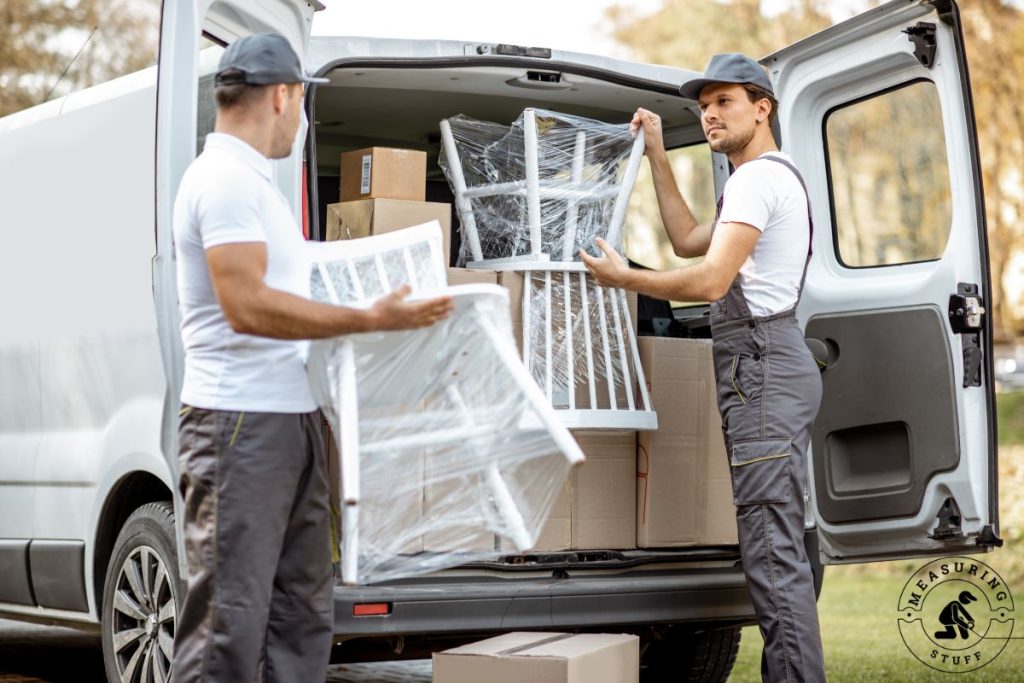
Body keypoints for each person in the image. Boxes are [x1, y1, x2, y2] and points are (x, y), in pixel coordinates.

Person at [170, 33, 452, 683]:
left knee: (299, 610)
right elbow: (248, 304)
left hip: (288, 418)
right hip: (239, 424)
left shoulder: (255, 185)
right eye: (300, 103)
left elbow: (288, 292)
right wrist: (370, 319)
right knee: (229, 621)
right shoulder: (223, 181)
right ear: (283, 96)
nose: (298, 119)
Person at [581, 53, 826, 682]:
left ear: (762, 107)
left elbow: (712, 279)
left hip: (762, 364)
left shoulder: (754, 180)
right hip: (769, 362)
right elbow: (690, 240)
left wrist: (623, 279)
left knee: (772, 553)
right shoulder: (769, 177)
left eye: (724, 102)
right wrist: (660, 153)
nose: (710, 115)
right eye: (703, 106)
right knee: (776, 546)